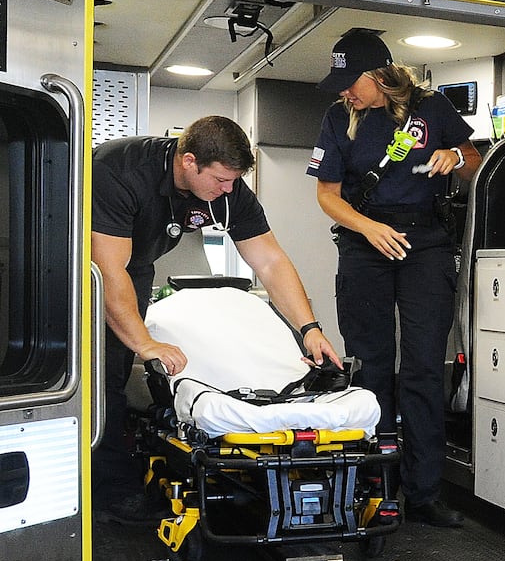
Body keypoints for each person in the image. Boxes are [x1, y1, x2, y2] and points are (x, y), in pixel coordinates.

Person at [91, 116, 339, 523]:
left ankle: (115, 480)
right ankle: (109, 494)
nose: (227, 190)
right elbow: (106, 270)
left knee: (115, 369)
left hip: (133, 265)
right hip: (80, 266)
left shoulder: (228, 190)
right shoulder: (121, 172)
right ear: (189, 162)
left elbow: (271, 261)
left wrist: (309, 329)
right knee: (102, 375)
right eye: (222, 181)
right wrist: (145, 343)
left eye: (233, 181)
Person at [308, 30, 481, 529]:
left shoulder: (433, 108)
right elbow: (328, 195)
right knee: (371, 368)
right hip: (366, 244)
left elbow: (470, 161)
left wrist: (454, 158)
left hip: (425, 244)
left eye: (351, 82)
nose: (344, 91)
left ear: (380, 75)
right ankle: (374, 489)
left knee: (425, 367)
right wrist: (368, 228)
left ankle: (424, 492)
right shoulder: (339, 118)